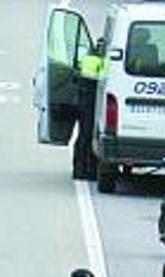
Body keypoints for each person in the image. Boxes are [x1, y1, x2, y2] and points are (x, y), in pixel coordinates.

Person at [73, 40, 106, 180]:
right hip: (93, 102)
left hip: (83, 101)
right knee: (91, 136)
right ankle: (90, 169)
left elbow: (77, 77)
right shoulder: (102, 62)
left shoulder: (86, 59)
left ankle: (79, 169)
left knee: (84, 135)